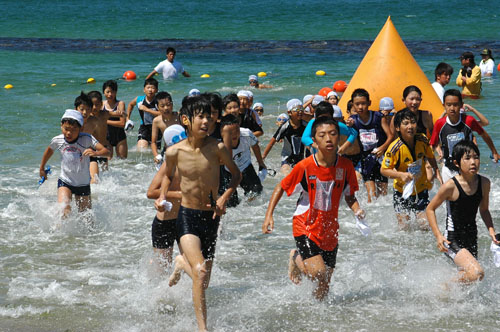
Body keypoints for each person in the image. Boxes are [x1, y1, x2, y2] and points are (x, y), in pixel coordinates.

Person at [154, 96, 241, 332]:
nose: (206, 121)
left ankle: (182, 263)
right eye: (200, 117)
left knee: (204, 280)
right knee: (201, 271)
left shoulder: (218, 148)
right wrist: (162, 199)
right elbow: (167, 177)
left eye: (209, 117)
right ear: (185, 120)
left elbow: (236, 175)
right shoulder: (174, 152)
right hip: (187, 217)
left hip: (211, 218)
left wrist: (224, 197)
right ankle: (203, 328)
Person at [262, 116, 365, 300]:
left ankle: (319, 318)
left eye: (333, 134)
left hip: (330, 229)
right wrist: (269, 215)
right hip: (306, 225)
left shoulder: (346, 166)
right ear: (314, 140)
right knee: (319, 273)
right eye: (322, 135)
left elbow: (349, 195)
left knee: (324, 286)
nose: (328, 139)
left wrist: (357, 210)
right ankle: (296, 257)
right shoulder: (305, 166)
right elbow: (281, 187)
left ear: (339, 137)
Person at [426, 140, 498, 284]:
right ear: (457, 163)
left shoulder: (484, 183)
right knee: (477, 273)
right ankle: (446, 285)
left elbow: (484, 210)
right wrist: (438, 236)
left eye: (476, 157)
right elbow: (430, 209)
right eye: (467, 158)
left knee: (470, 281)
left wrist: (491, 231)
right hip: (452, 240)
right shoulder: (450, 186)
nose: (473, 162)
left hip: (472, 236)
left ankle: (447, 298)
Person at [39, 110, 110, 218]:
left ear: (81, 129)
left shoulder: (87, 139)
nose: (69, 133)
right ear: (61, 126)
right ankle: (60, 233)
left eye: (73, 130)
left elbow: (107, 152)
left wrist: (96, 153)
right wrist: (42, 168)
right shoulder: (58, 140)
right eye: (66, 129)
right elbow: (49, 151)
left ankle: (90, 235)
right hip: (65, 181)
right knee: (64, 209)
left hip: (83, 184)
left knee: (86, 217)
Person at [381, 109, 442, 230]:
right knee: (404, 227)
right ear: (398, 128)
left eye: (413, 122)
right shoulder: (394, 148)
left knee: (425, 225)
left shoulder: (423, 139)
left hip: (421, 189)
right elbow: (384, 170)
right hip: (401, 191)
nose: (410, 126)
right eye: (406, 123)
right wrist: (401, 175)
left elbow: (430, 156)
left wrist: (437, 171)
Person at [430, 89, 499, 183]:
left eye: (455, 104)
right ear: (444, 105)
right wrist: (429, 164)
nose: (452, 108)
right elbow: (432, 144)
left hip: (468, 166)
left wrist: (494, 151)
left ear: (461, 105)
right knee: (450, 196)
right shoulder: (440, 124)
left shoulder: (469, 121)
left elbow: (483, 134)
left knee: (469, 193)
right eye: (448, 105)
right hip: (448, 168)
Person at [147, 125, 186, 269]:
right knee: (162, 270)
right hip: (165, 222)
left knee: (190, 262)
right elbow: (151, 192)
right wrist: (180, 195)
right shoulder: (169, 164)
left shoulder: (194, 161)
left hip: (185, 219)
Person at [347, 88, 392, 203]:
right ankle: (371, 219)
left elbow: (390, 136)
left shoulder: (378, 117)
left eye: (363, 103)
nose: (360, 107)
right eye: (357, 104)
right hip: (366, 160)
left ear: (369, 103)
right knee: (371, 196)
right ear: (353, 105)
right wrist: (349, 127)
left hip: (381, 159)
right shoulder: (353, 120)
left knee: (383, 197)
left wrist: (382, 148)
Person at [219, 114, 266, 207]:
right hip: (227, 170)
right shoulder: (218, 142)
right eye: (230, 132)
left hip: (245, 166)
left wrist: (261, 163)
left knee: (257, 191)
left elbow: (255, 146)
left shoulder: (247, 134)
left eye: (236, 130)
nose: (234, 134)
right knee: (231, 203)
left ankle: (248, 208)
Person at [262, 99, 307, 175]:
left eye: (302, 109)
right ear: (289, 112)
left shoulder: (306, 126)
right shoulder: (285, 127)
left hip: (302, 158)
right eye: (297, 110)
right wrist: (262, 158)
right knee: (286, 174)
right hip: (287, 158)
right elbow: (272, 142)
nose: (300, 111)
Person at [126, 78, 161, 150]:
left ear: (157, 90)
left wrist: (147, 110)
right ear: (144, 89)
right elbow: (130, 105)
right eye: (148, 88)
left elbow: (162, 114)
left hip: (157, 128)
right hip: (144, 127)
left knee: (155, 151)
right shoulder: (139, 100)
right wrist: (128, 119)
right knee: (142, 149)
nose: (150, 90)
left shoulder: (159, 101)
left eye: (153, 88)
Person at [87, 91, 114, 182]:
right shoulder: (87, 118)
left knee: (106, 176)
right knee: (95, 177)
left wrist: (123, 114)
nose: (94, 107)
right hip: (91, 149)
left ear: (101, 104)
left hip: (103, 148)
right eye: (92, 105)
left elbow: (115, 113)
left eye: (97, 104)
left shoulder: (104, 114)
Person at [151, 91, 179, 164]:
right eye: (162, 106)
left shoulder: (179, 117)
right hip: (167, 150)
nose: (166, 108)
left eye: (168, 105)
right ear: (157, 107)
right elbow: (153, 142)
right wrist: (156, 155)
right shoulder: (157, 121)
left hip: (182, 149)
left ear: (172, 104)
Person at [103, 80, 127, 159]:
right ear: (104, 92)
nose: (110, 94)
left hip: (119, 136)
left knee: (123, 162)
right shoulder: (101, 104)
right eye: (108, 92)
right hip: (106, 136)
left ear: (116, 92)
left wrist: (105, 121)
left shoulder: (120, 104)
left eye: (112, 92)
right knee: (106, 162)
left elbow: (122, 124)